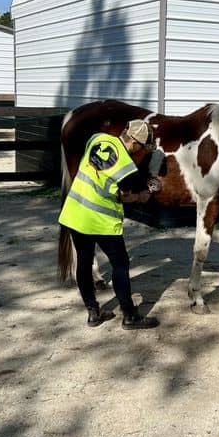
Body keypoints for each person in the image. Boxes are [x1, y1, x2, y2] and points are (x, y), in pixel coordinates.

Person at [58, 120, 160, 330]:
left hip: (75, 212)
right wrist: (143, 195)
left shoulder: (98, 138)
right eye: (141, 148)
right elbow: (124, 197)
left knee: (84, 263)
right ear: (135, 143)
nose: (139, 152)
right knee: (120, 264)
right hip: (101, 221)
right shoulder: (127, 167)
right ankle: (130, 316)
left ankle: (93, 312)